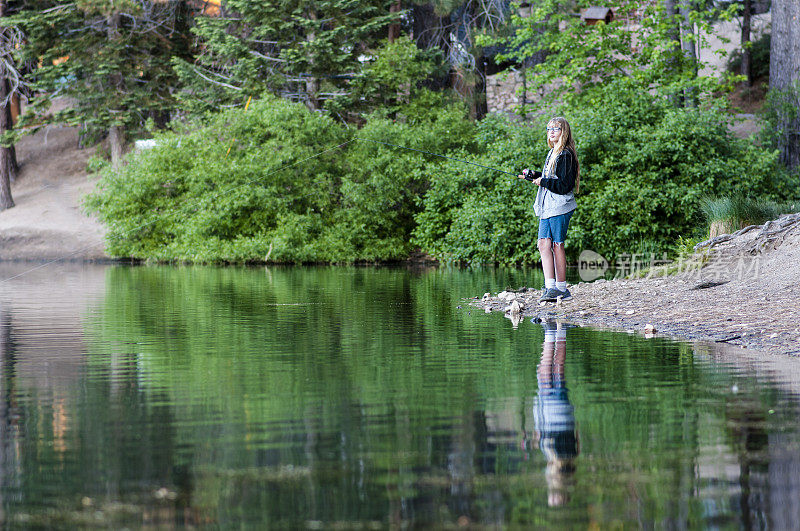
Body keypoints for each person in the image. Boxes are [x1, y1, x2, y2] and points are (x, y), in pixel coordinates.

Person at [519, 117, 580, 302]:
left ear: (564, 132)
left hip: (560, 206)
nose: (552, 132)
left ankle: (562, 289)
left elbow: (564, 185)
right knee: (543, 244)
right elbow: (550, 177)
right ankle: (550, 287)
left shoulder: (566, 155)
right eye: (549, 129)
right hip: (547, 206)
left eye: (556, 129)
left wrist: (543, 181)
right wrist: (534, 175)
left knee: (557, 244)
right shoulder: (552, 152)